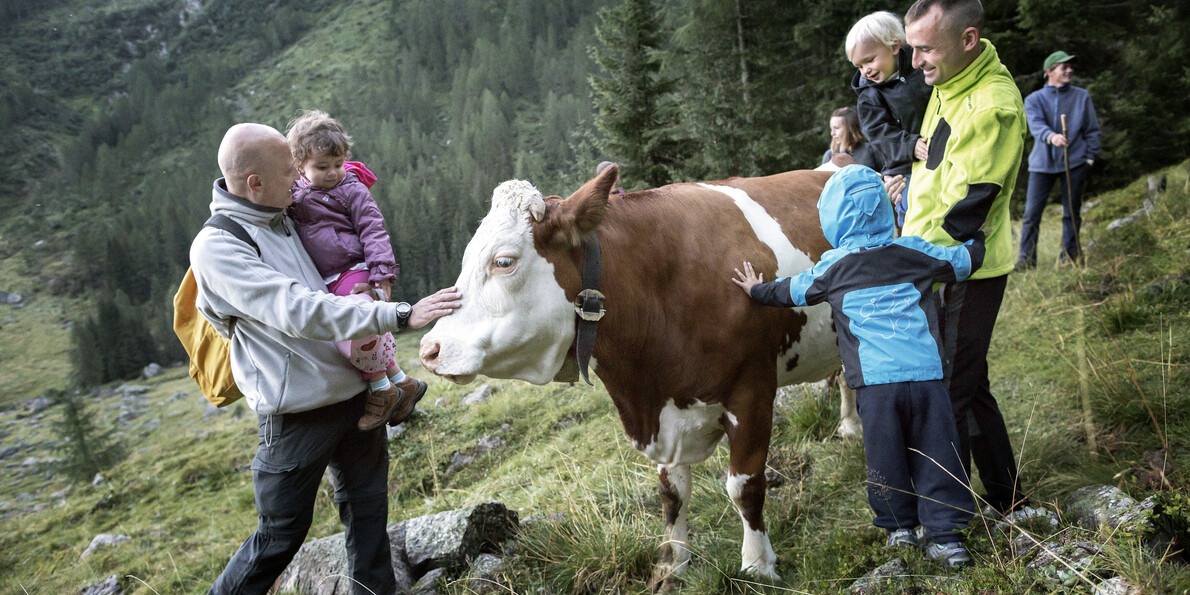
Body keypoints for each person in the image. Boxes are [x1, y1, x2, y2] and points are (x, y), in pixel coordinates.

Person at [191, 122, 462, 594]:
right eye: (287, 171)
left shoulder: (287, 213)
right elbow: (297, 309)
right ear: (254, 182)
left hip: (357, 397)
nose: (298, 178)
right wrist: (396, 313)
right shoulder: (218, 247)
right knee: (279, 537)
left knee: (370, 516)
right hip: (297, 415)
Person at [732, 164, 981, 567]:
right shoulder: (914, 251)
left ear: (831, 216)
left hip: (875, 386)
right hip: (926, 377)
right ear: (886, 208)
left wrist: (755, 289)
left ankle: (899, 530)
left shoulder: (833, 268)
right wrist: (978, 239)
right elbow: (962, 262)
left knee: (885, 458)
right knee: (938, 453)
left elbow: (790, 292)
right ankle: (946, 538)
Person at [887, 0, 1028, 517]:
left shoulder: (993, 106)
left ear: (967, 40)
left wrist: (908, 264)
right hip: (935, 261)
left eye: (926, 48)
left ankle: (944, 514)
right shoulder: (948, 81)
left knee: (947, 388)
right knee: (969, 382)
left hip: (964, 268)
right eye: (913, 47)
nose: (916, 60)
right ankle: (1008, 497)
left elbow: (968, 209)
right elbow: (939, 170)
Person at [285, 109, 426, 431]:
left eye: (338, 164)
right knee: (367, 331)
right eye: (322, 167)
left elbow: (373, 230)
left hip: (356, 270)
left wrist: (381, 274)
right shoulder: (296, 193)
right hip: (328, 278)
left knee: (351, 331)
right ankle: (402, 383)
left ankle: (381, 391)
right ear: (299, 166)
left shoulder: (352, 189)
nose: (333, 173)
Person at [846, 10, 933, 228]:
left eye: (870, 60)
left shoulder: (921, 69)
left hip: (938, 153)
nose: (865, 70)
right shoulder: (869, 97)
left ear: (894, 47)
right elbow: (878, 135)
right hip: (903, 170)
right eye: (859, 66)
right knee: (917, 221)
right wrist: (910, 145)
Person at [1015, 51, 1101, 269]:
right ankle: (1026, 260)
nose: (1069, 70)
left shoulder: (1082, 97)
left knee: (1071, 212)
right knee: (1031, 214)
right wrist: (1051, 137)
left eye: (1071, 66)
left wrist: (1089, 158)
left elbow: (1092, 130)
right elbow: (1035, 125)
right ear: (1050, 71)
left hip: (1074, 164)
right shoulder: (1034, 99)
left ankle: (1069, 258)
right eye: (1064, 67)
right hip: (1041, 165)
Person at [821, 107, 883, 172]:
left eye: (836, 128)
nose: (832, 133)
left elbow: (885, 177)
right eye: (831, 129)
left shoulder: (870, 150)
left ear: (850, 128)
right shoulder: (829, 155)